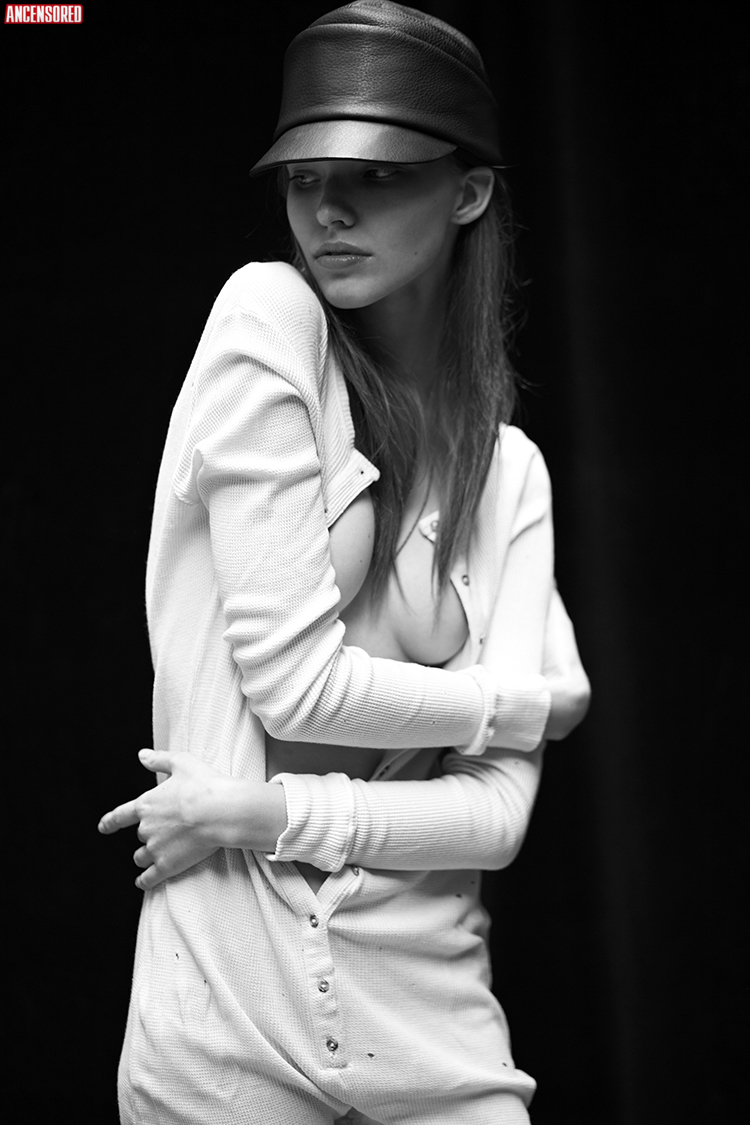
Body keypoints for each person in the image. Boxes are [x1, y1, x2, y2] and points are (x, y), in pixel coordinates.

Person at [99, 3, 590, 1122]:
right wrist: (512, 704)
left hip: (436, 1025)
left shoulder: (511, 473)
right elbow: (294, 687)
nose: (327, 209)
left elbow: (497, 822)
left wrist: (260, 811)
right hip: (227, 1017)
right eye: (304, 177)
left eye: (376, 176)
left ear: (468, 193)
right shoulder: (267, 321)